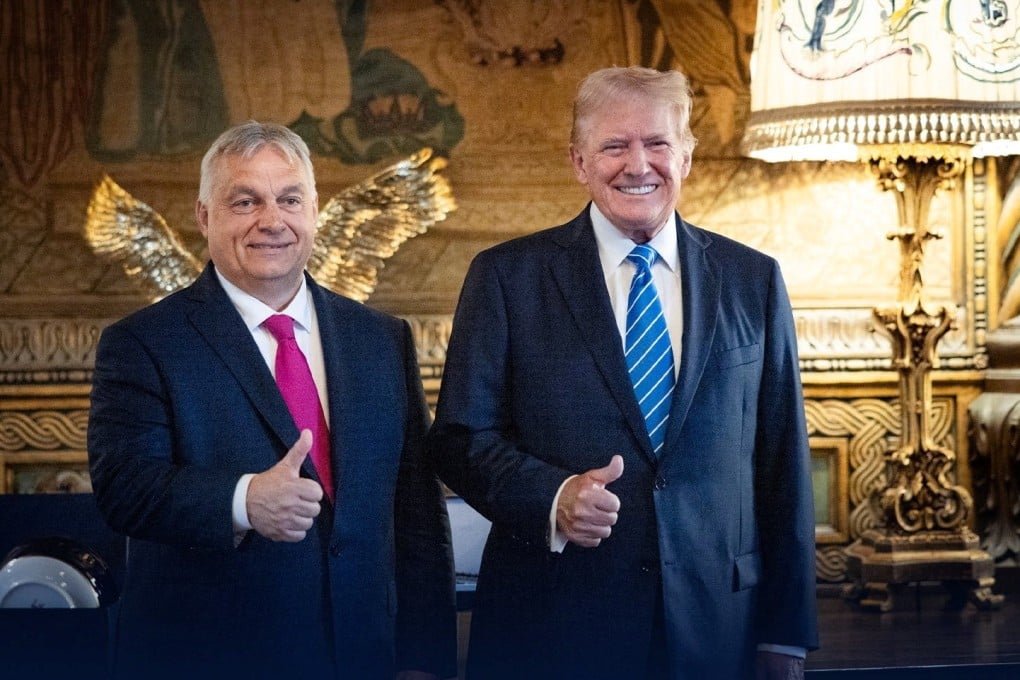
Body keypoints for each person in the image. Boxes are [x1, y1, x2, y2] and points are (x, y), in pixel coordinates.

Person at [427, 66, 818, 679]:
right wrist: (553, 497)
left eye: (657, 143)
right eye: (614, 145)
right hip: (553, 629)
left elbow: (782, 464)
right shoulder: (506, 278)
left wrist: (787, 634)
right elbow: (458, 439)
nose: (638, 165)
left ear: (686, 156)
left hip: (719, 633)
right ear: (579, 161)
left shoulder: (754, 280)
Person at [87, 121, 457, 680]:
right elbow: (124, 489)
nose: (271, 221)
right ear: (205, 217)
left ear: (313, 212)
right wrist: (243, 501)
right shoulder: (142, 342)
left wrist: (425, 661)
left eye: (290, 199)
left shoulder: (380, 338)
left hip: (366, 657)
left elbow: (417, 514)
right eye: (245, 201)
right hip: (214, 659)